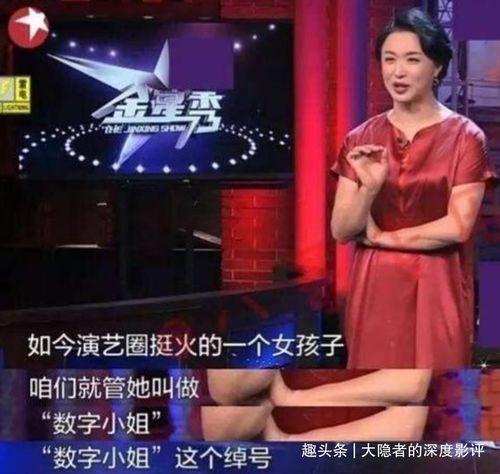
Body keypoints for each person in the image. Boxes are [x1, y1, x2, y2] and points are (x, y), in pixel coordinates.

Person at [330, 8, 497, 368]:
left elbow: (457, 227)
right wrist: (369, 189)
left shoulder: (466, 137)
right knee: (373, 386)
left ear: (437, 67)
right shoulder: (360, 137)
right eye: (389, 59)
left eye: (412, 59)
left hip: (439, 284)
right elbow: (342, 230)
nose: (398, 71)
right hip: (375, 284)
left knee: (435, 390)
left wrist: (382, 237)